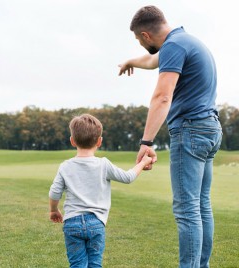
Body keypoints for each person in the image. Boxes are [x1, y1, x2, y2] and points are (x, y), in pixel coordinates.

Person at [118, 5, 223, 268]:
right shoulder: (184, 41)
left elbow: (163, 96)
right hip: (210, 128)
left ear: (145, 35)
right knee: (201, 206)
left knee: (187, 211)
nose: (141, 47)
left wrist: (146, 142)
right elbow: (153, 60)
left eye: (138, 42)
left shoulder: (174, 47)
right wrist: (131, 62)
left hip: (190, 130)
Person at [48, 114, 153, 267]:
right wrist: (143, 162)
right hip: (96, 223)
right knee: (95, 264)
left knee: (77, 264)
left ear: (72, 141)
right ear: (99, 141)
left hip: (72, 223)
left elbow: (54, 193)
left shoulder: (65, 166)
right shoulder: (104, 164)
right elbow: (128, 177)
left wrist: (53, 210)